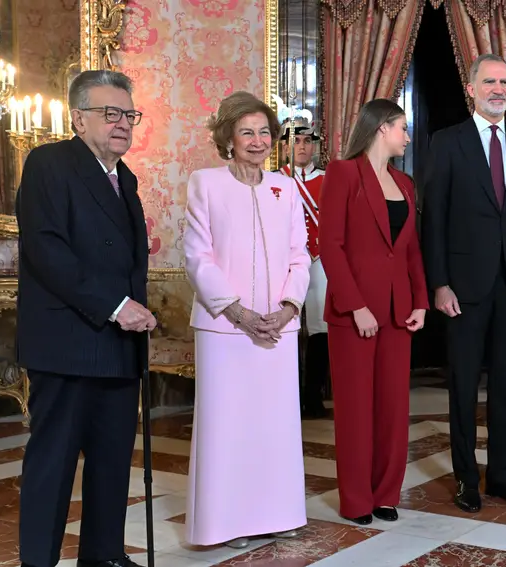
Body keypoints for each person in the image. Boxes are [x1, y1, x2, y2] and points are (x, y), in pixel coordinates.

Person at [17, 69, 155, 567]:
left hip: (119, 344)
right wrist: (116, 306)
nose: (123, 124)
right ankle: (38, 561)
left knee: (112, 459)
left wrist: (133, 314)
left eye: (129, 114)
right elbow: (47, 251)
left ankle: (103, 555)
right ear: (78, 119)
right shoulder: (49, 163)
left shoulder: (125, 177)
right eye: (110, 113)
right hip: (67, 342)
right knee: (53, 461)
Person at [422, 53, 506, 512]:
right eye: (489, 82)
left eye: (505, 82)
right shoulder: (446, 142)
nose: (498, 89)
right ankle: (465, 479)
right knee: (462, 386)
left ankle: (500, 475)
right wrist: (439, 282)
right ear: (472, 88)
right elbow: (433, 219)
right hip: (463, 288)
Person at [183, 91, 311, 547]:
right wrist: (237, 312)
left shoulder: (285, 187)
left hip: (277, 329)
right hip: (224, 329)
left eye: (263, 132)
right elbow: (196, 256)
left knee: (275, 426)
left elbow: (300, 255)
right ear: (228, 138)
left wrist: (288, 309)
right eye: (246, 132)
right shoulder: (206, 183)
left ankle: (277, 514)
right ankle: (226, 524)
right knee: (227, 427)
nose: (257, 141)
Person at [321, 98, 428, 524]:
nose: (407, 136)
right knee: (355, 410)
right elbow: (330, 246)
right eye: (402, 127)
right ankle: (356, 501)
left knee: (392, 409)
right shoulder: (343, 173)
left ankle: (385, 495)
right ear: (382, 127)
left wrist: (420, 301)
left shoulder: (405, 183)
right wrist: (356, 306)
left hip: (399, 312)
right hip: (354, 313)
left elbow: (411, 250)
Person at [278, 113, 330, 418]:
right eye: (295, 141)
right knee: (286, 324)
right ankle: (287, 393)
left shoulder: (328, 178)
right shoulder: (275, 179)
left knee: (321, 327)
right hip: (286, 259)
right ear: (285, 146)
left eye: (307, 141)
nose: (301, 146)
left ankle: (313, 395)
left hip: (321, 258)